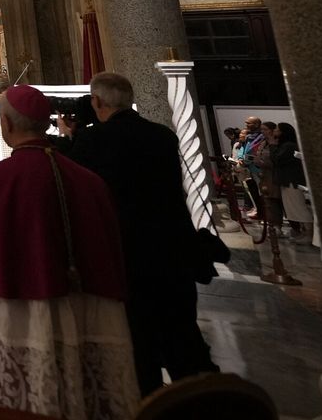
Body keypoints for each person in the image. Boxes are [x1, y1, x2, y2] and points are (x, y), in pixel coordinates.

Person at [0, 84, 138, 419]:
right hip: (89, 302)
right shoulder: (88, 179)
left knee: (26, 387)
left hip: (20, 305)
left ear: (5, 124)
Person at [62, 72, 216, 396]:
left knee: (139, 346)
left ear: (97, 101)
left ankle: (148, 403)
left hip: (127, 256)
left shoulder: (94, 141)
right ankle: (206, 403)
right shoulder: (163, 136)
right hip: (173, 253)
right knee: (184, 339)